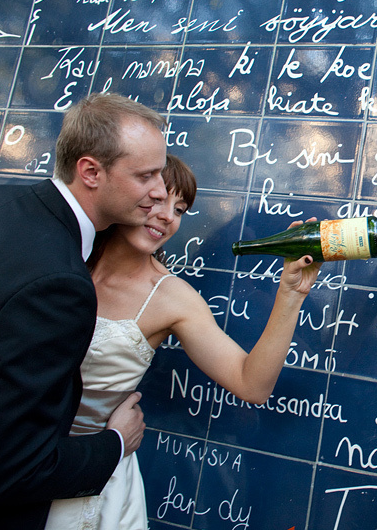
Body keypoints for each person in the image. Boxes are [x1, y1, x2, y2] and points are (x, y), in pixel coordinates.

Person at [44, 155, 322, 529]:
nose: (167, 217)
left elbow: (251, 384)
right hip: (12, 455)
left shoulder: (172, 297)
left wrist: (290, 294)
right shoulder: (59, 256)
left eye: (179, 209)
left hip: (92, 481)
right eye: (156, 200)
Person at [0, 93, 168, 529]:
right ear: (91, 172)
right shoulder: (59, 287)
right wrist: (116, 442)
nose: (160, 191)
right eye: (146, 175)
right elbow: (11, 472)